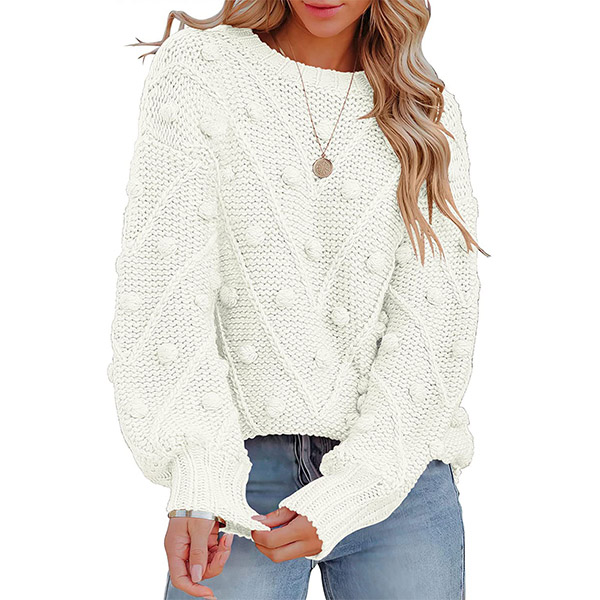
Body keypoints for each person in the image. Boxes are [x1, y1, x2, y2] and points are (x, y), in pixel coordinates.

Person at [108, 1, 490, 598]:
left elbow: (439, 322)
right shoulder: (201, 69)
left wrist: (358, 487)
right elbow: (164, 290)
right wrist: (198, 475)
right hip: (237, 475)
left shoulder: (424, 109)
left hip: (399, 474)